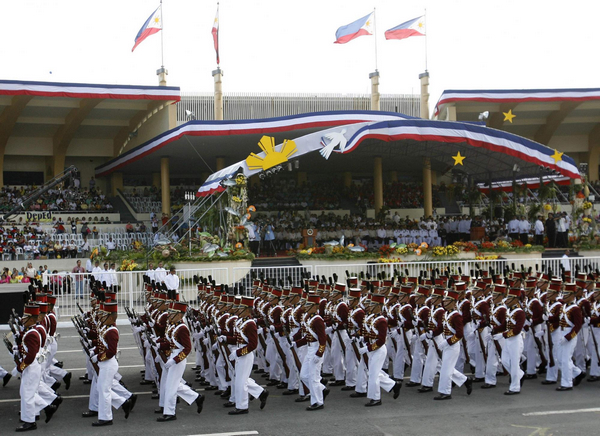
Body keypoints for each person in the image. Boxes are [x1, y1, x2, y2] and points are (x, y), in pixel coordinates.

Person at [156, 301, 205, 421]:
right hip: (172, 355)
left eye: (172, 313)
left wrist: (175, 360)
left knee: (171, 386)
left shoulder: (182, 328)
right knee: (172, 384)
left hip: (178, 357)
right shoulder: (173, 326)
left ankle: (170, 413)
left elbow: (187, 348)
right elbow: (170, 343)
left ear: (179, 315)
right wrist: (159, 345)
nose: (169, 315)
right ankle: (196, 397)